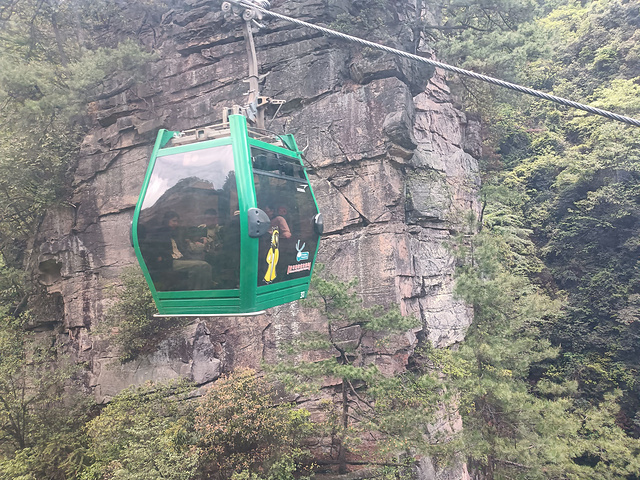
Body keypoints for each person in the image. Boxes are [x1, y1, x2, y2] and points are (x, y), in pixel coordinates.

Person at [162, 211, 213, 290]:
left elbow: (183, 249)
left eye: (177, 221)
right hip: (170, 261)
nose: (176, 223)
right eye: (174, 221)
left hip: (182, 258)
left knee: (206, 265)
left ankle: (204, 289)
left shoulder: (177, 233)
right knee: (202, 265)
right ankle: (196, 291)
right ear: (167, 220)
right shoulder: (160, 234)